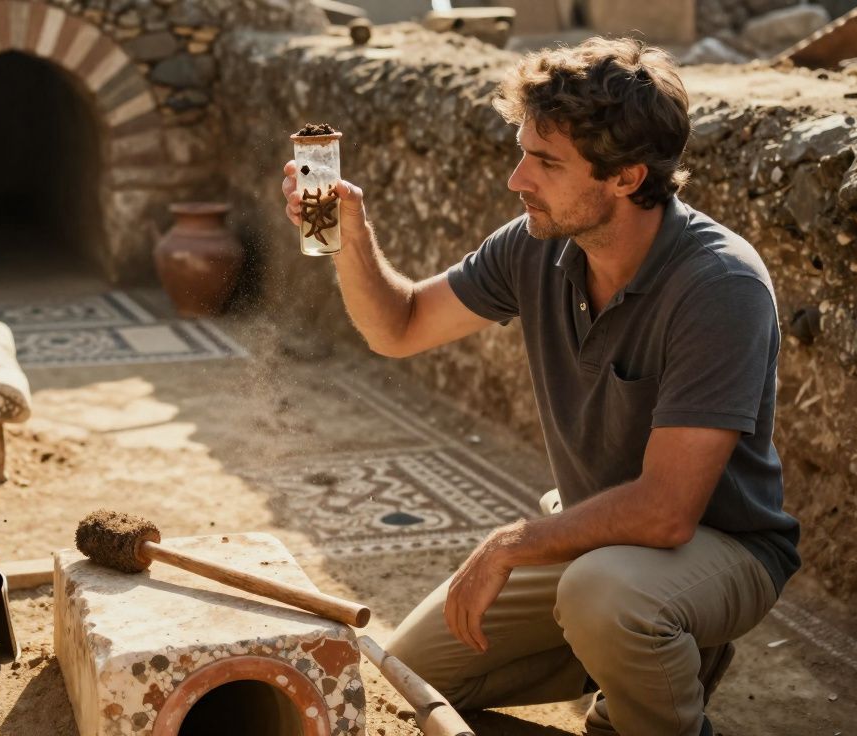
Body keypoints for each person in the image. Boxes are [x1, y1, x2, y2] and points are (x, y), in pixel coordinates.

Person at [280, 37, 800, 736]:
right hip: (598, 545)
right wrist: (350, 237)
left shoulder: (720, 285)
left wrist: (509, 545)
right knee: (416, 676)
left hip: (723, 548)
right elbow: (399, 326)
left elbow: (668, 513)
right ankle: (652, 654)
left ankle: (655, 687)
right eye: (523, 150)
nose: (517, 179)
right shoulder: (538, 241)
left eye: (546, 162)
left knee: (607, 596)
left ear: (625, 176)